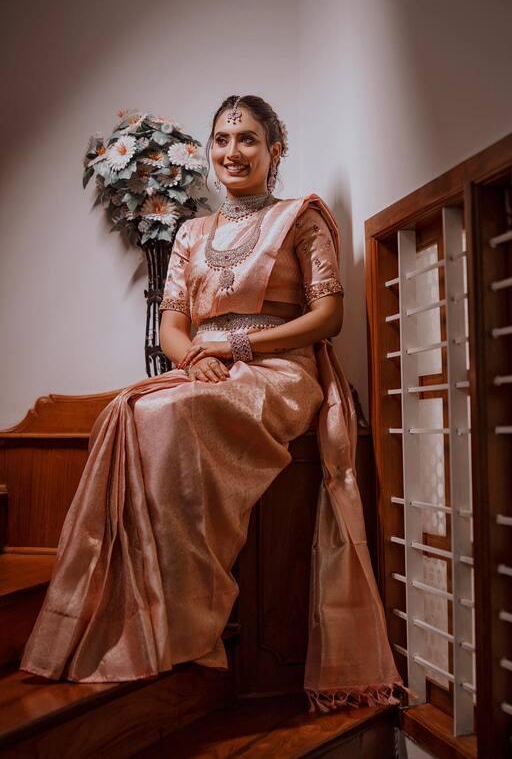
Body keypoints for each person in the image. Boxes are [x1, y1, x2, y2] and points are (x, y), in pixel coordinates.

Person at [20, 95, 406, 713]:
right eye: (222, 139)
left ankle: (193, 621)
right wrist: (194, 358)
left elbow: (327, 316)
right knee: (134, 412)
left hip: (280, 369)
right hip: (207, 367)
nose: (233, 152)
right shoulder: (192, 232)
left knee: (174, 414)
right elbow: (173, 324)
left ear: (274, 150)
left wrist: (244, 344)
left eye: (248, 139)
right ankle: (143, 614)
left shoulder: (300, 217)